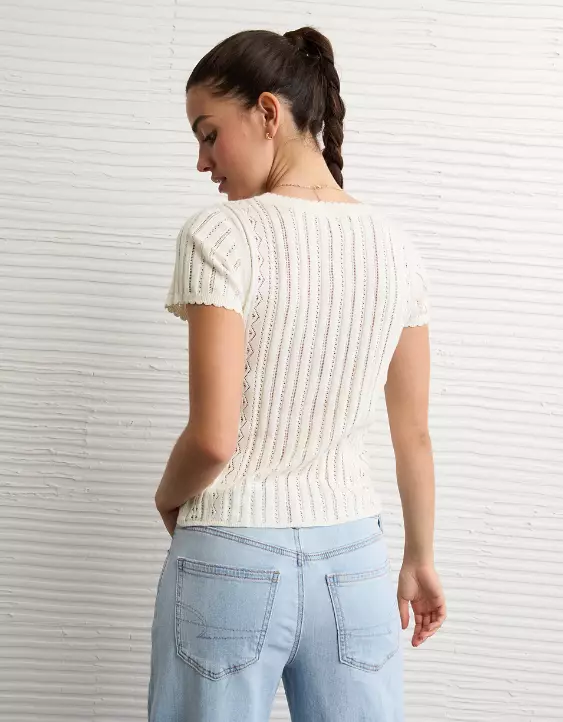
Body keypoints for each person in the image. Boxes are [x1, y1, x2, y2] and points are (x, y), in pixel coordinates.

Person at [149, 25, 446, 722]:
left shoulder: (220, 236)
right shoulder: (396, 249)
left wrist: (167, 497)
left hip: (229, 552)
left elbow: (214, 439)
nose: (202, 161)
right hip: (356, 562)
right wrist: (419, 557)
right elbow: (413, 434)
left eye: (208, 134)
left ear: (267, 112)